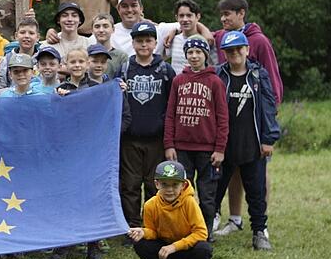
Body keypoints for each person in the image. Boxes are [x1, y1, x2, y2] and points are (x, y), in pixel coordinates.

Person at [211, 0, 283, 236]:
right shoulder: (222, 37)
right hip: (230, 125)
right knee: (231, 172)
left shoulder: (259, 42)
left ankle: (261, 225)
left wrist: (269, 124)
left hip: (256, 118)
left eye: (227, 14)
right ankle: (234, 218)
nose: (223, 19)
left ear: (241, 13)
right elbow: (201, 33)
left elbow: (271, 80)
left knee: (257, 174)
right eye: (221, 15)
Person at [163, 36, 229, 238]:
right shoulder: (178, 81)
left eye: (198, 52)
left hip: (208, 150)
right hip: (182, 148)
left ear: (206, 55)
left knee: (207, 195)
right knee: (182, 193)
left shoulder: (214, 82)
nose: (194, 56)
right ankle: (183, 230)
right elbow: (170, 114)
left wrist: (220, 148)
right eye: (190, 52)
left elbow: (223, 117)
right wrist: (169, 144)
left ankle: (205, 232)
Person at [118, 22, 176, 232]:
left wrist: (169, 137)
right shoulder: (125, 68)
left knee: (154, 185)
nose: (144, 45)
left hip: (156, 138)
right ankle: (132, 226)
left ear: (155, 43)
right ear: (133, 43)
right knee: (130, 185)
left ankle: (151, 225)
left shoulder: (165, 70)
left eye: (148, 40)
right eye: (139, 41)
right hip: (130, 139)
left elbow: (172, 105)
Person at [128, 161, 213, 259]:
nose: (169, 189)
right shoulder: (150, 205)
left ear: (183, 185)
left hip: (186, 249)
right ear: (157, 184)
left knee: (204, 249)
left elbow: (201, 233)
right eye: (164, 184)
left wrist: (174, 247)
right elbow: (153, 232)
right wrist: (143, 232)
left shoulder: (190, 202)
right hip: (163, 250)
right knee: (140, 244)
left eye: (175, 184)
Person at [164, 0, 215, 74]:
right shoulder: (172, 39)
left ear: (197, 17)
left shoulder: (204, 40)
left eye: (189, 15)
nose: (185, 19)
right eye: (181, 16)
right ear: (176, 17)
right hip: (176, 84)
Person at [0, 17, 41, 95]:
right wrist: (16, 91)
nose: (26, 36)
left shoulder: (42, 59)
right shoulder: (7, 59)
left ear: (38, 37)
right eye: (22, 32)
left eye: (31, 33)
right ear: (16, 35)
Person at [91, 13, 128, 78]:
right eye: (97, 27)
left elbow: (124, 79)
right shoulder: (86, 55)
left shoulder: (121, 56)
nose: (101, 30)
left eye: (105, 26)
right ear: (92, 30)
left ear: (113, 29)